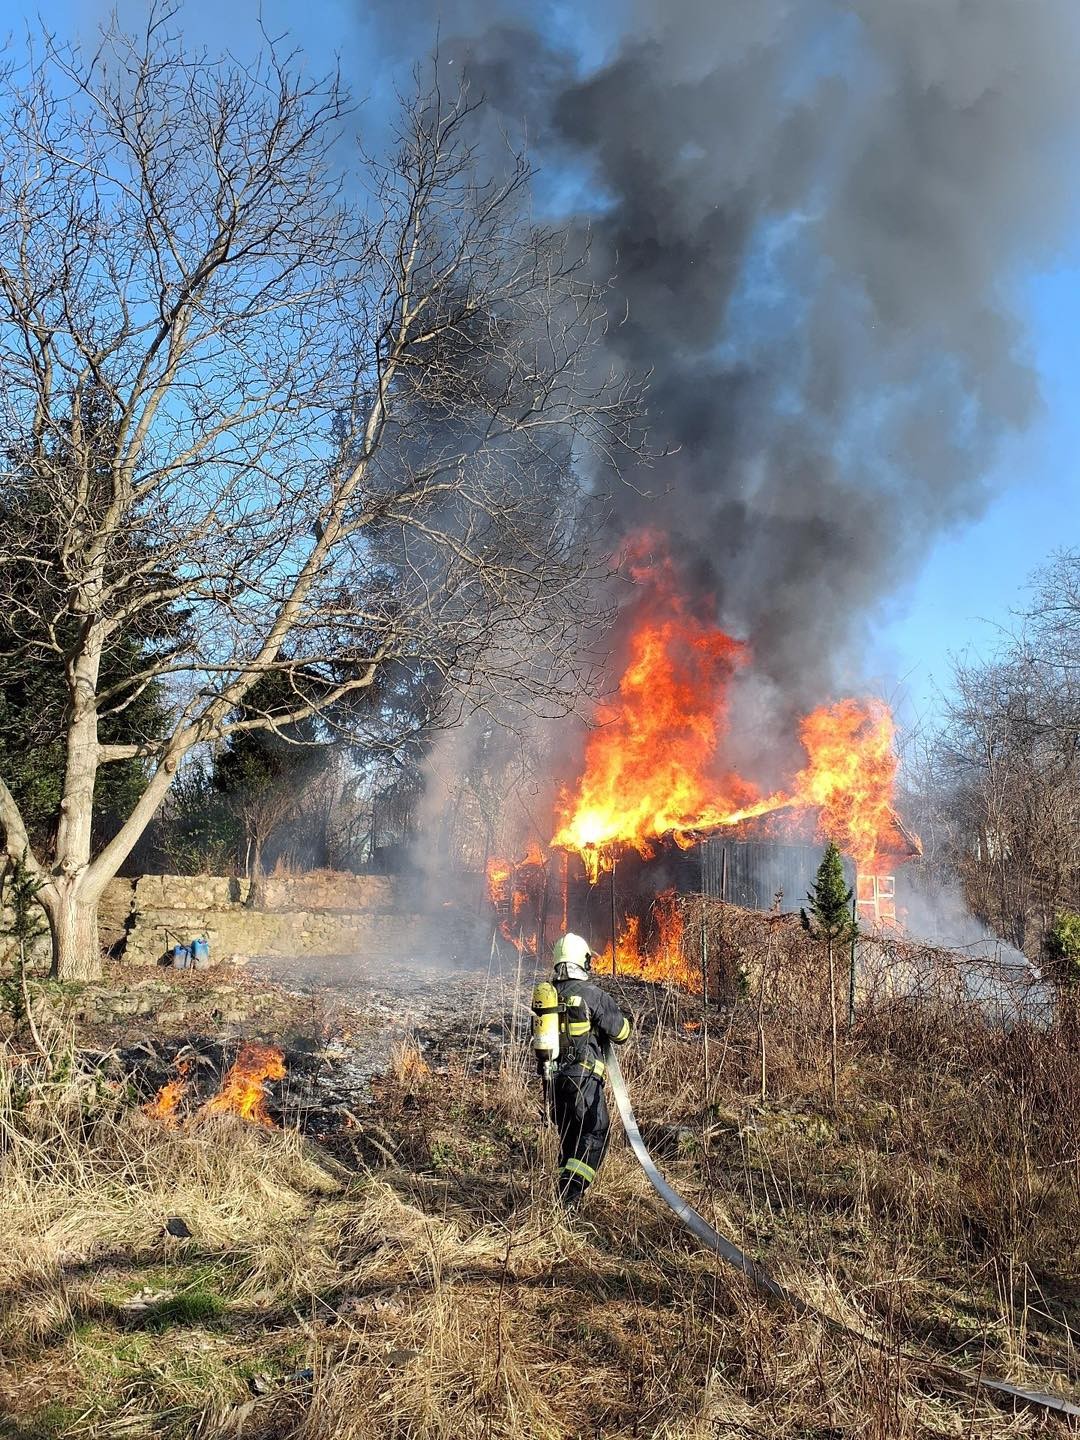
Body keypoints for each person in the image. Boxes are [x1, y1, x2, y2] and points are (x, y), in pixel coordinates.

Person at [547, 932, 633, 1211]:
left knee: (571, 1138)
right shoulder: (592, 994)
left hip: (553, 1084)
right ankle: (569, 1199)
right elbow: (621, 1033)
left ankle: (561, 1201)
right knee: (595, 1134)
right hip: (583, 1082)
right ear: (582, 961)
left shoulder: (548, 994)